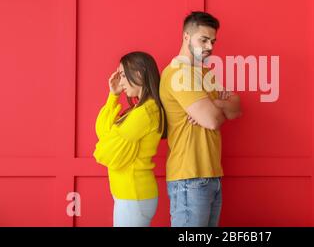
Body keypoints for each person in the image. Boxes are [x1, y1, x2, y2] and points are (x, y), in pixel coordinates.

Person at [160, 11, 242, 227]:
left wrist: (216, 105)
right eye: (203, 39)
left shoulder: (205, 74)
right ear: (186, 37)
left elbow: (236, 109)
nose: (209, 47)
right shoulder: (178, 74)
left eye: (212, 41)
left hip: (211, 174)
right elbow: (213, 121)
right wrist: (214, 110)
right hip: (189, 176)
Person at [93, 51, 166, 227]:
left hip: (133, 195)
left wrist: (107, 143)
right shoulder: (138, 110)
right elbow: (102, 132)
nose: (121, 81)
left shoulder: (145, 113)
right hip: (130, 195)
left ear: (140, 73)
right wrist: (113, 96)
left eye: (124, 75)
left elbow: (107, 154)